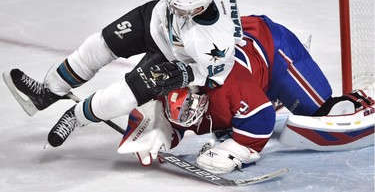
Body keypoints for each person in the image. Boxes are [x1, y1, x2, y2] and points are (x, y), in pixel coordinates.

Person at [3, 0, 244, 146]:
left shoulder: (217, 41)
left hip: (172, 57)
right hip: (151, 18)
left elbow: (215, 75)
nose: (173, 10)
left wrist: (185, 74)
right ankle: (48, 92)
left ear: (198, 9)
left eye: (178, 10)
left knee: (124, 95)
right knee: (98, 46)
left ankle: (76, 116)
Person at [117, 14, 374, 174]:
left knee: (320, 112)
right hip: (244, 65)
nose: (189, 117)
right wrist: (153, 131)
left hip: (272, 47)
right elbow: (161, 111)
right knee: (232, 114)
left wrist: (238, 149)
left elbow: (261, 117)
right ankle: (267, 91)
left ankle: (363, 103)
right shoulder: (167, 86)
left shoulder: (228, 88)